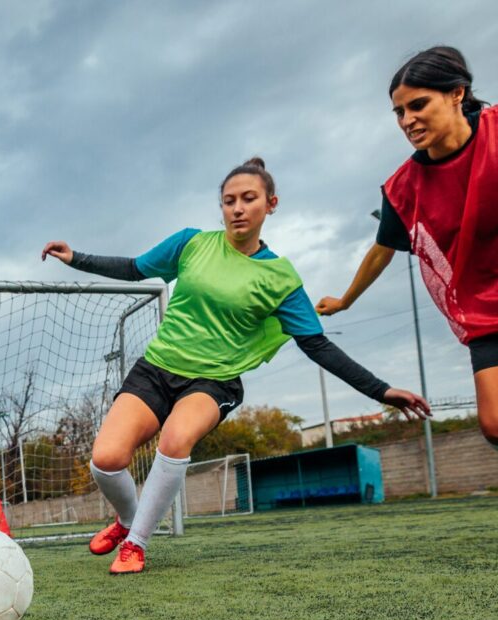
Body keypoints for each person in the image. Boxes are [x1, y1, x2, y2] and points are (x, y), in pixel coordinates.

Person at [41, 157, 429, 575]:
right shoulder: (191, 243)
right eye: (229, 201)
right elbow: (135, 268)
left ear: (270, 204)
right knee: (105, 459)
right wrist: (76, 257)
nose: (238, 208)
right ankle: (127, 520)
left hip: (214, 381)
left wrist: (381, 390)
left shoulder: (280, 278)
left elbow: (317, 345)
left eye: (249, 199)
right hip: (156, 369)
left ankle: (136, 544)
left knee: (174, 441)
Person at [315, 46, 498, 452]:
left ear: (457, 94)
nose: (407, 120)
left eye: (418, 105)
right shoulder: (404, 188)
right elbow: (382, 249)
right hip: (484, 309)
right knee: (494, 423)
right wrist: (345, 300)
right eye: (399, 112)